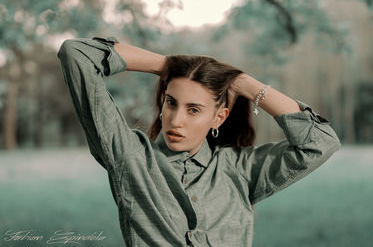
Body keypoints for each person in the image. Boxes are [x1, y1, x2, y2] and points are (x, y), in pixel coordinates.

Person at [57, 36, 341, 247]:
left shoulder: (239, 169)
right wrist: (169, 65)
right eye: (171, 103)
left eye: (193, 110)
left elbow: (319, 141)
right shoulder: (132, 159)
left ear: (219, 118)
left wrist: (245, 84)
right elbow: (76, 54)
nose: (176, 120)